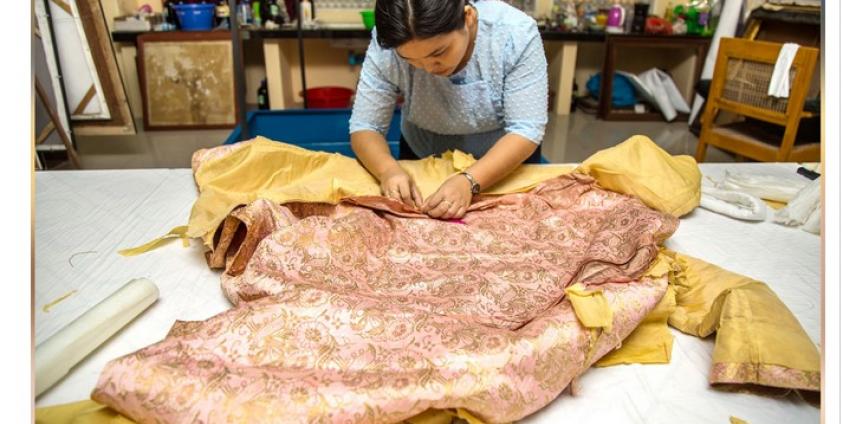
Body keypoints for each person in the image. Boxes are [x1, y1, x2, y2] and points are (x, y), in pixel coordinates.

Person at [349, 0, 548, 219]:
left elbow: (525, 129)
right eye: (410, 60)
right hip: (422, 152)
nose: (428, 68)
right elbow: (365, 126)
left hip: (504, 160)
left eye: (439, 53)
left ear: (468, 18)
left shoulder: (514, 33)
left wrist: (469, 180)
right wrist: (388, 170)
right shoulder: (390, 42)